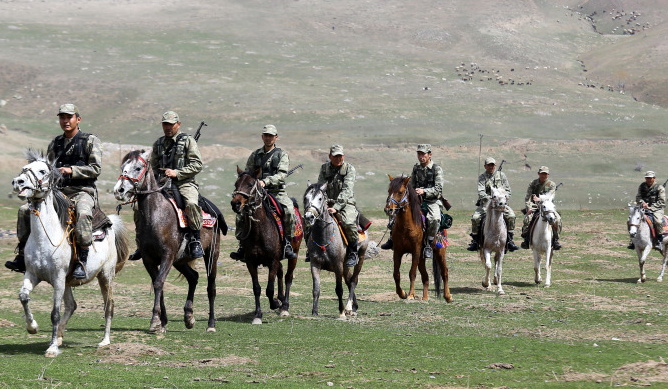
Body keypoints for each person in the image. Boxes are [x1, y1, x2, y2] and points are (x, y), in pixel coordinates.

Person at [5, 104, 102, 279]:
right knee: (25, 211)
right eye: (62, 117)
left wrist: (71, 170)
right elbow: (47, 169)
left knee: (83, 214)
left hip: (82, 191)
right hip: (58, 192)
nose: (65, 121)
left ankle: (82, 259)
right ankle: (22, 254)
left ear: (77, 119)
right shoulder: (55, 143)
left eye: (69, 117)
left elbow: (96, 169)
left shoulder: (90, 141)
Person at [230, 124, 297, 261]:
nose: (268, 138)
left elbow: (282, 174)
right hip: (256, 193)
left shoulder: (281, 155)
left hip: (276, 192)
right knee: (241, 215)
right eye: (266, 135)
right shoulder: (255, 155)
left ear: (276, 137)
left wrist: (265, 182)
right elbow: (247, 173)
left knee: (289, 210)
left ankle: (287, 244)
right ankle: (242, 245)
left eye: (271, 136)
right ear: (262, 137)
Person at [149, 111, 205, 260]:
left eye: (171, 124)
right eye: (165, 124)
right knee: (142, 205)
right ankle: (143, 241)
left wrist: (177, 173)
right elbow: (152, 166)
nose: (168, 127)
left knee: (192, 203)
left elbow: (197, 165)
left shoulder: (188, 141)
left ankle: (195, 239)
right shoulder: (158, 144)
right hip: (162, 184)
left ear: (178, 125)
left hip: (184, 183)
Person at [380, 144, 444, 259]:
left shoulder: (436, 169)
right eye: (419, 154)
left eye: (423, 154)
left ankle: (429, 244)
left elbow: (438, 189)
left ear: (429, 155)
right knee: (396, 210)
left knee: (434, 218)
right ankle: (391, 238)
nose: (421, 156)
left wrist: (424, 191)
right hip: (417, 200)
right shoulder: (416, 168)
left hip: (432, 201)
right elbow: (412, 185)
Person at [311, 144, 359, 267]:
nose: (338, 159)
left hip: (345, 203)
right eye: (335, 156)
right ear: (330, 156)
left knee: (348, 223)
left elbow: (347, 190)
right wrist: (324, 204)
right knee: (310, 219)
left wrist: (336, 207)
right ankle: (310, 249)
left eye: (340, 156)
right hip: (327, 203)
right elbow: (321, 187)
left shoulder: (349, 169)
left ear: (343, 156)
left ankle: (353, 252)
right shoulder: (324, 168)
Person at [467, 157, 519, 251]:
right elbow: (481, 192)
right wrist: (490, 199)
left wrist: (503, 197)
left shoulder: (502, 175)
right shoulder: (482, 177)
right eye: (489, 165)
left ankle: (510, 240)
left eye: (492, 165)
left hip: (501, 204)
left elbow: (508, 190)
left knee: (511, 216)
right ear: (485, 166)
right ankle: (475, 241)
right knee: (475, 218)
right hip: (486, 204)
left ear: (495, 165)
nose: (491, 167)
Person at [520, 166, 562, 250]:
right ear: (538, 174)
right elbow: (528, 197)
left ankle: (556, 239)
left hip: (548, 206)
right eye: (542, 174)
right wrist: (529, 208)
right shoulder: (533, 183)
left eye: (545, 174)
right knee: (527, 218)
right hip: (534, 206)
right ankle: (526, 238)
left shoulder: (552, 184)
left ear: (548, 175)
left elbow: (550, 196)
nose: (543, 175)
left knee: (557, 219)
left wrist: (540, 199)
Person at [629, 171, 666, 250]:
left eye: (650, 178)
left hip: (657, 209)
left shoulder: (660, 188)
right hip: (643, 207)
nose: (648, 180)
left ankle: (659, 239)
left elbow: (662, 201)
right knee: (631, 220)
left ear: (654, 178)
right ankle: (632, 239)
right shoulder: (642, 186)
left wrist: (651, 208)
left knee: (658, 221)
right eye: (647, 178)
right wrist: (643, 203)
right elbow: (638, 197)